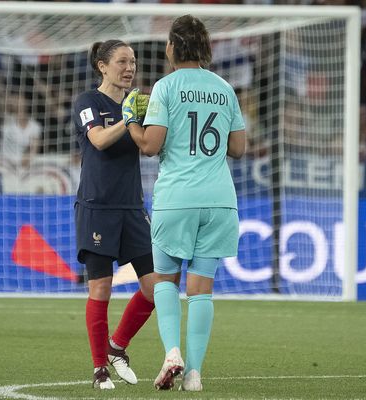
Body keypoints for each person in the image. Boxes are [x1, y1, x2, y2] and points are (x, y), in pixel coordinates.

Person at [123, 14, 246, 391]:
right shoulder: (225, 88)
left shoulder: (166, 87)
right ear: (205, 48)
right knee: (201, 289)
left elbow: (151, 145)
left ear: (173, 47)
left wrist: (131, 118)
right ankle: (194, 374)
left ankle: (172, 352)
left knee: (164, 279)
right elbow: (239, 148)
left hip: (177, 198)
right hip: (220, 200)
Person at [72, 40, 156, 389]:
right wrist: (129, 118)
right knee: (101, 288)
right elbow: (100, 141)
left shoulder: (137, 104)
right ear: (102, 66)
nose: (129, 68)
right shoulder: (88, 102)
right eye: (122, 61)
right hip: (98, 208)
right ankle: (99, 370)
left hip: (133, 208)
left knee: (158, 287)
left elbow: (149, 150)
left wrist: (148, 122)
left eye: (133, 61)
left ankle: (117, 347)